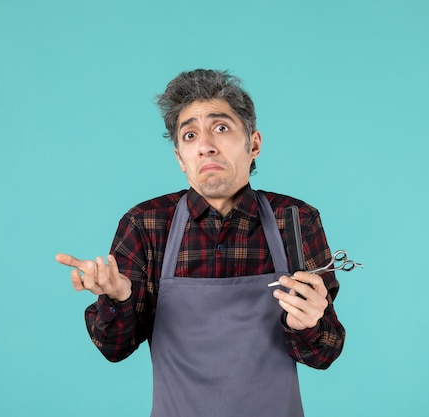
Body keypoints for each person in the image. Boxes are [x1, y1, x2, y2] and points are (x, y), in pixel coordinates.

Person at [56, 69, 345, 417]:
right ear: (180, 158)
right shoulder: (146, 224)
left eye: (221, 128)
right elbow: (114, 348)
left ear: (253, 144)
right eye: (190, 135)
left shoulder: (295, 220)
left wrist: (309, 324)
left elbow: (325, 354)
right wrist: (118, 298)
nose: (205, 144)